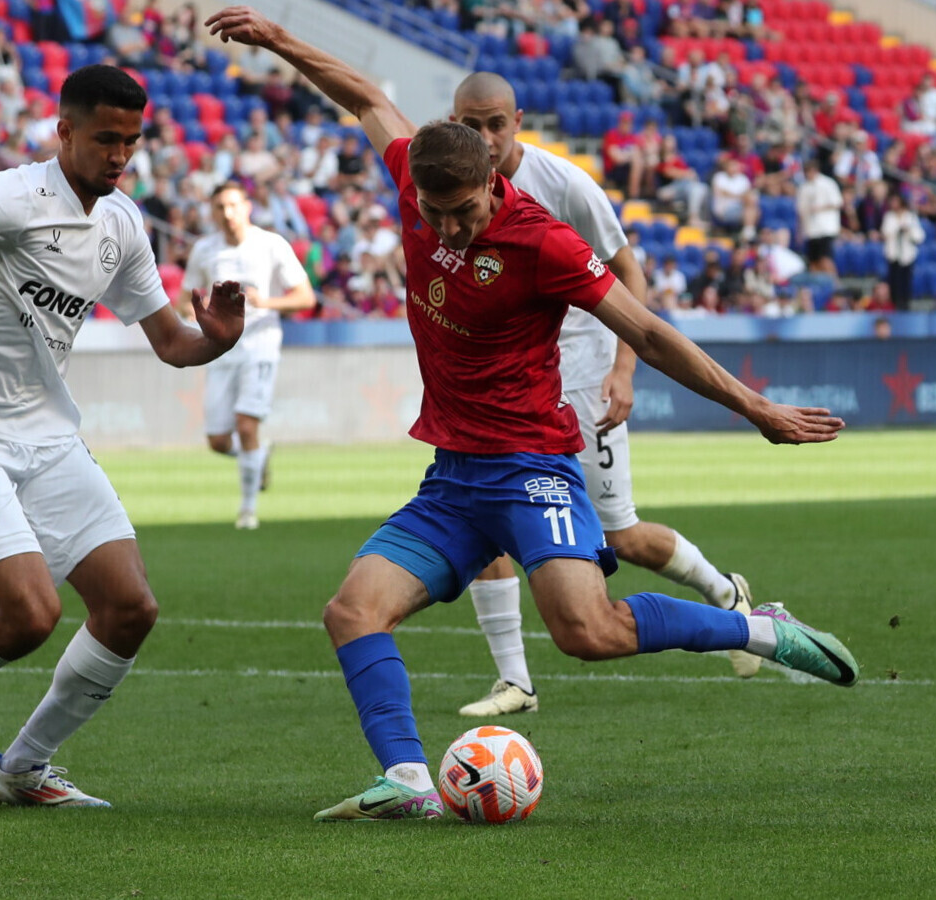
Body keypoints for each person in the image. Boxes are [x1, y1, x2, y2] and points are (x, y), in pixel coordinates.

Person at [207, 5, 856, 823]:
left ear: (494, 181)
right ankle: (408, 782)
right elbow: (366, 96)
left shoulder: (542, 240)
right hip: (453, 477)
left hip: (530, 467)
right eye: (434, 213)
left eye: (464, 212)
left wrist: (755, 407)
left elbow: (649, 332)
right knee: (351, 612)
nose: (447, 228)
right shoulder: (415, 173)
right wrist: (279, 40)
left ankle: (760, 632)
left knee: (587, 633)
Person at [0, 66, 246, 808]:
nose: (119, 155)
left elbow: (170, 342)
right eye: (104, 139)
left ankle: (23, 768)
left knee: (131, 608)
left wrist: (215, 340)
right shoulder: (15, 196)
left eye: (131, 140)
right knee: (31, 613)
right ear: (64, 133)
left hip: (48, 434)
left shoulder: (122, 225)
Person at [447, 71, 769, 718]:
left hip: (581, 376)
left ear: (517, 121)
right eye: (470, 125)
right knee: (484, 521)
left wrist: (621, 372)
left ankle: (726, 593)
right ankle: (516, 681)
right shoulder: (449, 186)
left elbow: (628, 271)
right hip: (508, 388)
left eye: (495, 124)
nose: (483, 138)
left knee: (621, 536)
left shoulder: (564, 185)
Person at [182, 180, 315, 530]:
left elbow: (305, 297)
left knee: (246, 425)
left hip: (260, 344)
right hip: (219, 350)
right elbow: (185, 297)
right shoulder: (204, 250)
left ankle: (248, 510)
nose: (227, 213)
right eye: (220, 207)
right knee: (217, 441)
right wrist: (195, 313)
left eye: (233, 205)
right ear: (212, 212)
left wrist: (265, 302)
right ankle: (257, 456)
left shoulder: (270, 244)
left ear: (247, 207)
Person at [882, 192, 924, 310]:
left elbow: (919, 236)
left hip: (907, 254)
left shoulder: (910, 217)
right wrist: (897, 229)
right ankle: (894, 303)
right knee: (894, 281)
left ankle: (906, 303)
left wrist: (908, 230)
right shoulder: (889, 216)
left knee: (906, 281)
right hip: (893, 254)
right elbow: (886, 233)